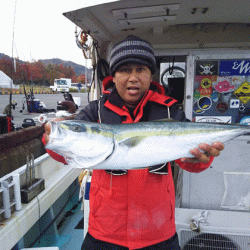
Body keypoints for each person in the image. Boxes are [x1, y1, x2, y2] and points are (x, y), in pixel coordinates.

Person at [43, 35, 224, 250]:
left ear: (150, 74)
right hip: (105, 233)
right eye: (125, 70)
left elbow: (190, 162)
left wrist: (202, 157)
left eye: (141, 70)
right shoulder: (95, 111)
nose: (133, 77)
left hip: (157, 233)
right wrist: (51, 138)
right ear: (114, 75)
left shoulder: (169, 109)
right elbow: (66, 153)